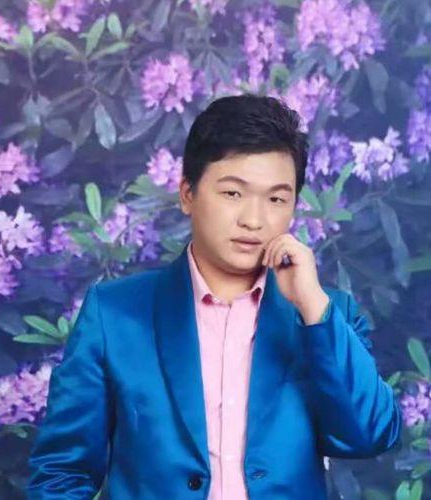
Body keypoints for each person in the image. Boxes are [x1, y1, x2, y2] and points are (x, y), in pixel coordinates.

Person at [26, 94, 402, 499]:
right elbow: (61, 473)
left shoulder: (325, 314)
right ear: (187, 193)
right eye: (233, 193)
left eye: (276, 199)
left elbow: (370, 435)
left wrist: (313, 308)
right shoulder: (115, 313)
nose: (253, 220)